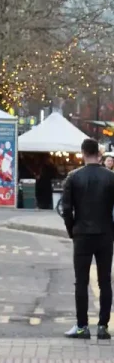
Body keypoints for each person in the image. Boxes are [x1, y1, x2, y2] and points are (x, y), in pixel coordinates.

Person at [60, 138, 114, 339]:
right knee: (105, 281)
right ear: (99, 154)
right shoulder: (111, 177)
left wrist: (71, 229)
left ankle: (82, 326)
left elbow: (66, 209)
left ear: (83, 153)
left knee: (81, 281)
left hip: (82, 233)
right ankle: (103, 327)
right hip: (105, 233)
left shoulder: (73, 177)